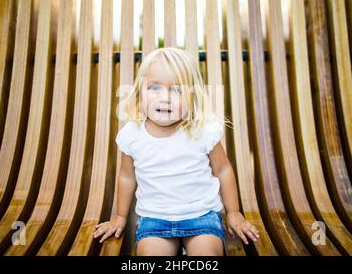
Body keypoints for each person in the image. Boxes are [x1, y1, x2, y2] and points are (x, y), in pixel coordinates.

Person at [93, 47, 259, 256]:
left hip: (201, 216)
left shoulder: (201, 130)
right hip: (155, 220)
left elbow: (223, 170)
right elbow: (127, 176)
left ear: (193, 97)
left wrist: (233, 212)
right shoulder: (132, 134)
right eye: (154, 88)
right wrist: (120, 217)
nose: (165, 98)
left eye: (178, 90)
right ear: (138, 93)